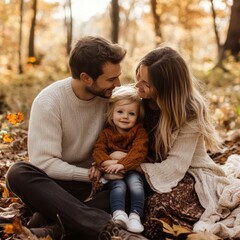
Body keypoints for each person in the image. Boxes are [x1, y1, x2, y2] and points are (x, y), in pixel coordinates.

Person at [5, 36, 131, 240]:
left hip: (93, 187)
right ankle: (103, 228)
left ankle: (52, 227)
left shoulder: (112, 100)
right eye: (110, 79)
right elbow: (44, 162)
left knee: (130, 188)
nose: (117, 84)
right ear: (86, 78)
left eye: (118, 77)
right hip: (54, 185)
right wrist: (92, 174)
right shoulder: (49, 102)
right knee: (17, 173)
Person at [135, 45, 240, 239]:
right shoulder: (138, 100)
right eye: (138, 77)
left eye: (146, 83)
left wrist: (130, 166)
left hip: (188, 172)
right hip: (147, 168)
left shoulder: (189, 111)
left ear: (166, 88)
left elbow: (175, 167)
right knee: (130, 195)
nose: (137, 86)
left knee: (158, 206)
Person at [92, 85, 148, 233]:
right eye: (120, 112)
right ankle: (119, 214)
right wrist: (105, 163)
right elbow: (98, 149)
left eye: (131, 113)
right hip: (112, 171)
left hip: (132, 169)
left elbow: (139, 151)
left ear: (138, 116)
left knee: (136, 185)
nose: (125, 116)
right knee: (118, 186)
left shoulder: (139, 131)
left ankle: (135, 216)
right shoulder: (106, 133)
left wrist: (123, 165)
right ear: (111, 114)